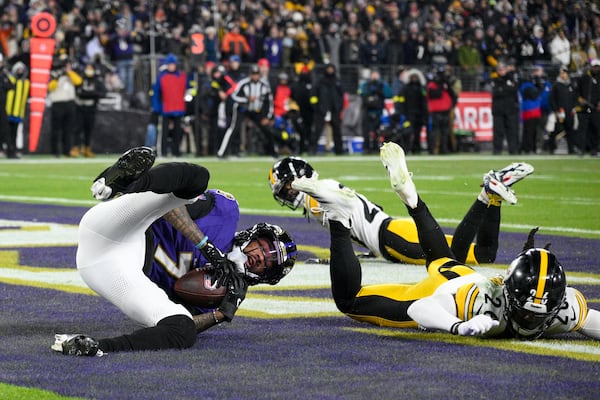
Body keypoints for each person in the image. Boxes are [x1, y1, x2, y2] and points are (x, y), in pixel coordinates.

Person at [290, 142, 600, 340]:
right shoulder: (482, 305)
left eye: (536, 316)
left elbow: (591, 320)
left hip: (459, 274)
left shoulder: (567, 308)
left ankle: (414, 199)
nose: (530, 322)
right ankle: (340, 220)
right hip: (445, 290)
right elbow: (422, 307)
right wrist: (456, 325)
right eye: (526, 313)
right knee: (349, 301)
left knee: (449, 257)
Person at [52, 146, 297, 356]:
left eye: (268, 262)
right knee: (197, 177)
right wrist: (207, 246)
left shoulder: (224, 290)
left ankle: (93, 347)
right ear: (253, 235)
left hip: (116, 272)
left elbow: (185, 324)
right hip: (127, 228)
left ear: (264, 277)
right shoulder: (225, 212)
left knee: (183, 331)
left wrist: (220, 315)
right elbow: (171, 204)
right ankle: (125, 181)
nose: (261, 256)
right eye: (265, 247)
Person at [269, 156, 532, 266]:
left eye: (287, 187)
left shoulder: (317, 196)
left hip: (391, 237)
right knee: (484, 255)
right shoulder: (324, 188)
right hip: (393, 231)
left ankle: (486, 193)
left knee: (453, 259)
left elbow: (345, 224)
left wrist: (338, 260)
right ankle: (494, 196)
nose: (287, 194)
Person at [218, 64, 277, 158]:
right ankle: (222, 153)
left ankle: (274, 152)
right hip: (242, 109)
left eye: (257, 74)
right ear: (250, 74)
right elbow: (234, 96)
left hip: (257, 111)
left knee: (267, 130)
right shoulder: (243, 83)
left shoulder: (264, 85)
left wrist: (268, 116)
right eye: (253, 74)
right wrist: (247, 99)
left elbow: (269, 102)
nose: (255, 76)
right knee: (233, 129)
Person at [152, 53, 187, 158]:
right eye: (170, 64)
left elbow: (187, 90)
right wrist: (156, 107)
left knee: (178, 132)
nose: (172, 66)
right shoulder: (162, 77)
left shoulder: (182, 76)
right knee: (164, 132)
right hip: (166, 108)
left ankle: (176, 151)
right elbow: (156, 93)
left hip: (179, 108)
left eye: (173, 64)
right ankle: (162, 152)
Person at [48, 55, 82, 158]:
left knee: (68, 129)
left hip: (69, 103)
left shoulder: (71, 75)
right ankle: (55, 151)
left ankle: (67, 150)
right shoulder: (53, 74)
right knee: (56, 129)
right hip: (58, 103)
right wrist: (57, 77)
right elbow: (51, 87)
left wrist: (69, 72)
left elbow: (79, 82)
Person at [310, 64, 345, 155]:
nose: (330, 71)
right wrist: (316, 107)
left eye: (331, 69)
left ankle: (339, 150)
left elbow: (341, 96)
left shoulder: (337, 81)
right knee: (317, 130)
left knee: (337, 131)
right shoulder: (319, 81)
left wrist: (339, 107)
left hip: (334, 110)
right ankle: (312, 149)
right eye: (328, 69)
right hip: (321, 110)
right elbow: (313, 95)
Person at [74, 62, 106, 158]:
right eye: (87, 68)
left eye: (90, 68)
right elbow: (79, 92)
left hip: (91, 108)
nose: (88, 70)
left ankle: (87, 148)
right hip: (80, 107)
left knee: (88, 129)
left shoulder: (97, 80)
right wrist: (92, 94)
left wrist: (88, 94)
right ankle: (76, 148)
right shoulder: (81, 79)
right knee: (78, 128)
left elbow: (102, 93)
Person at [358, 69, 393, 154]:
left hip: (378, 111)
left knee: (377, 131)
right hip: (367, 110)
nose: (374, 76)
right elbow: (362, 94)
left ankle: (375, 147)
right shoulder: (365, 85)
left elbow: (389, 94)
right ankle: (366, 148)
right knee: (366, 131)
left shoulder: (382, 85)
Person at [490, 61, 520, 155]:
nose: (501, 71)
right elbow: (495, 92)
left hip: (510, 109)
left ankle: (513, 149)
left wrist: (502, 90)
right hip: (498, 110)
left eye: (503, 69)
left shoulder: (511, 78)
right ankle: (497, 150)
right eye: (499, 69)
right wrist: (505, 89)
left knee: (512, 130)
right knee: (498, 131)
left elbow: (514, 89)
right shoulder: (495, 80)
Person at [548, 66, 578, 155]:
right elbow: (552, 99)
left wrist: (574, 107)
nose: (563, 75)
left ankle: (571, 149)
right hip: (559, 112)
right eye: (561, 73)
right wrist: (556, 110)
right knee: (555, 131)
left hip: (569, 112)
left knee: (570, 131)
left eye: (564, 73)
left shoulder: (571, 85)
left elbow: (575, 97)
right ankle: (551, 148)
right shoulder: (556, 85)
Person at [426, 66, 456, 155]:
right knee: (435, 132)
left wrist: (447, 84)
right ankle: (433, 149)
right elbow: (435, 95)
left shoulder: (445, 85)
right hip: (435, 112)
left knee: (445, 132)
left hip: (445, 111)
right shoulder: (432, 85)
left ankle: (444, 149)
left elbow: (453, 95)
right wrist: (440, 85)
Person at [575, 59, 600, 156]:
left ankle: (595, 150)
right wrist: (579, 99)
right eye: (595, 66)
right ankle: (581, 149)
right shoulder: (584, 78)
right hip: (583, 108)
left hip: (596, 109)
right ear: (591, 67)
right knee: (582, 130)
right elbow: (576, 92)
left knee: (596, 129)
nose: (596, 68)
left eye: (598, 66)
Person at [0, 54, 16, 158]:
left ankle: (10, 151)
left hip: (1, 106)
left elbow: (11, 86)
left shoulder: (3, 74)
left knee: (5, 129)